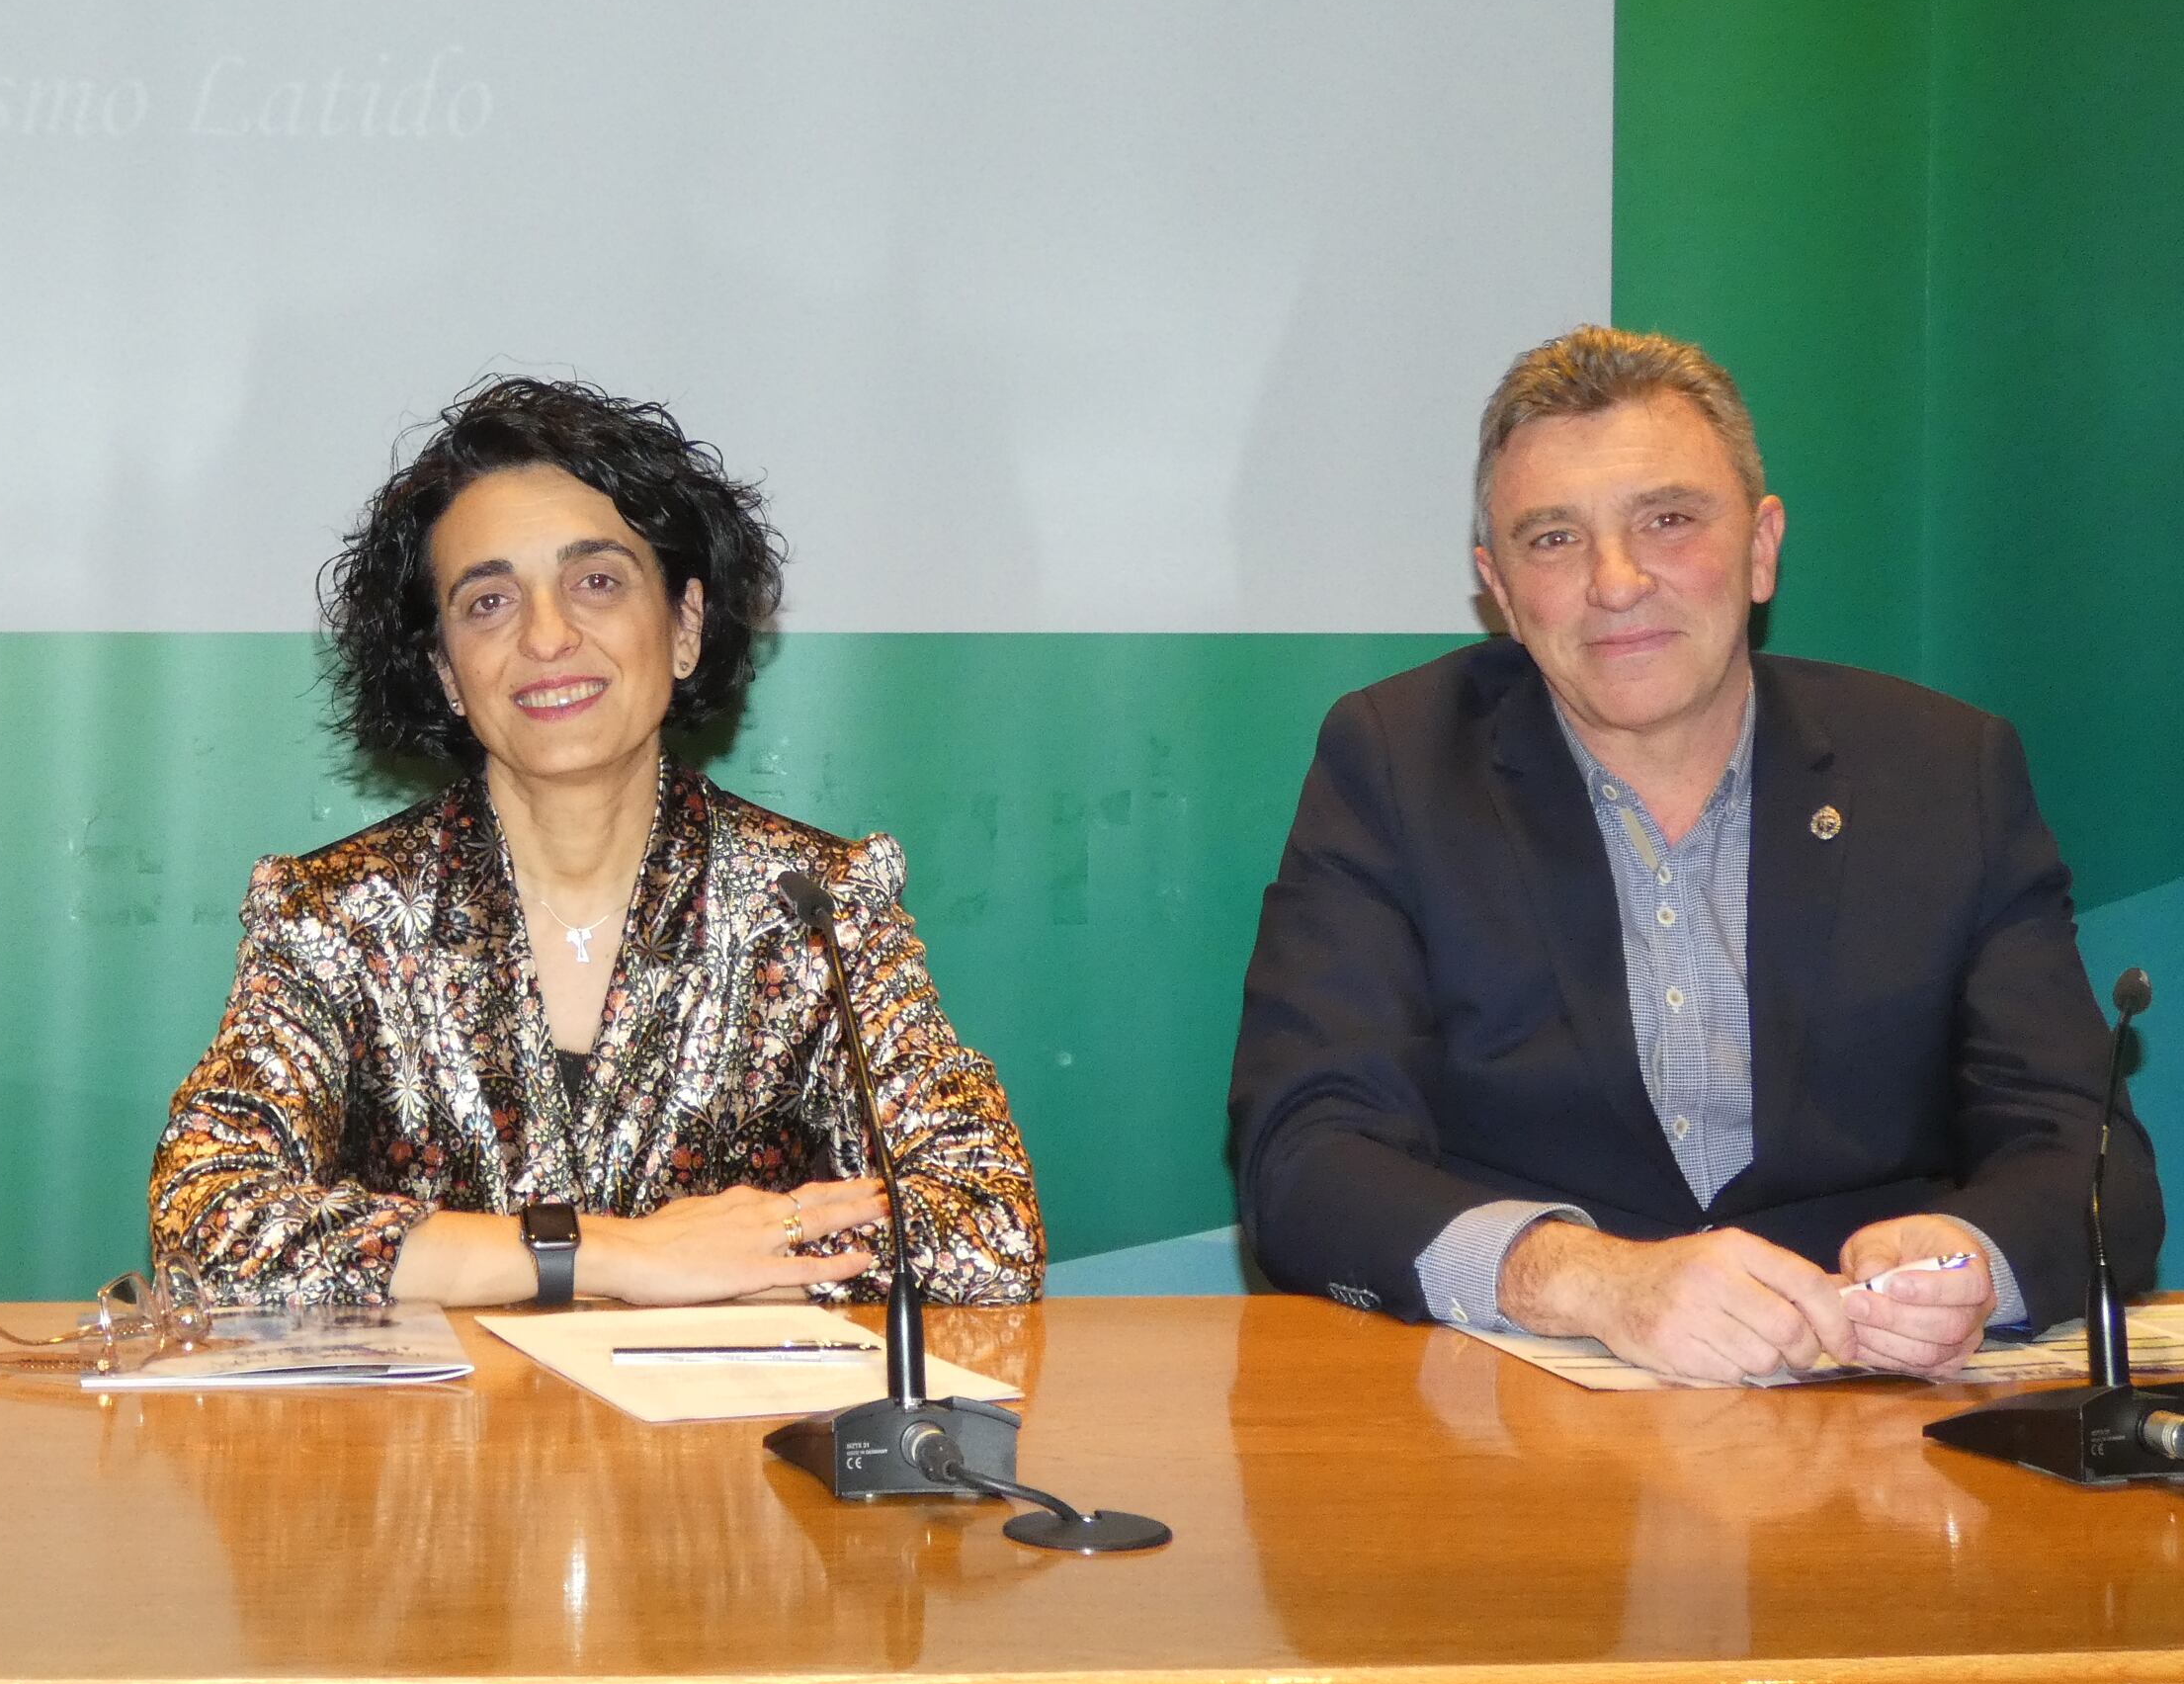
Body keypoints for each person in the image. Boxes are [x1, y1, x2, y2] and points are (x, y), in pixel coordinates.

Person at [1229, 325, 2154, 1386]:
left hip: (1871, 1417)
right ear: (1498, 589)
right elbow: (1304, 1157)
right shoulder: (1393, 761)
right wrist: (1592, 1282)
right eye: (1553, 539)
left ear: (1761, 550)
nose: (1617, 583)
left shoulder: (1944, 771)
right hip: (1517, 1424)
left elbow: (2089, 1157)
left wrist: (1968, 1264)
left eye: (1667, 521)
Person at [148, 376, 1043, 1309]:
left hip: (728, 1450)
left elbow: (988, 1227)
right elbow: (208, 1221)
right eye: (488, 601)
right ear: (446, 670)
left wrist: (749, 1249)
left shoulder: (816, 904)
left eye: (597, 581)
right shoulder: (337, 916)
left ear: (685, 625)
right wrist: (618, 1257)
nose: (546, 636)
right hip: (441, 1450)